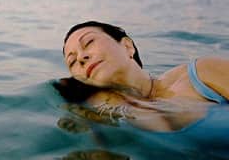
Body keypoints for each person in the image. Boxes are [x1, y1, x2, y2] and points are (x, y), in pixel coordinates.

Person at [56, 20, 229, 132]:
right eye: (72, 62)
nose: (81, 57)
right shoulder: (105, 116)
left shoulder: (201, 73)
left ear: (127, 46)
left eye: (89, 42)